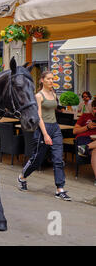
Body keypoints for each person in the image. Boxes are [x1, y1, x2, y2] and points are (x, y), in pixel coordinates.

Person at [18, 71, 71, 200]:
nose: (51, 81)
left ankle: (60, 189)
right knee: (37, 160)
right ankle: (22, 177)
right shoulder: (38, 96)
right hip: (43, 129)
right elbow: (39, 117)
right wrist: (46, 135)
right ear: (42, 80)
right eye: (48, 79)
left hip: (55, 128)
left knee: (58, 159)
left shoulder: (54, 94)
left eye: (52, 79)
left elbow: (54, 110)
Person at [73, 98, 96, 186]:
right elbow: (74, 131)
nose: (95, 110)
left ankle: (85, 148)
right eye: (94, 108)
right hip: (84, 138)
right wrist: (87, 127)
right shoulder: (85, 116)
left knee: (95, 151)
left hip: (93, 143)